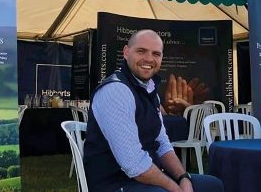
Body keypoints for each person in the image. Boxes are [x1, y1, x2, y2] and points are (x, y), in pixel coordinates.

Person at [84, 29, 223, 192]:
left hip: (144, 178)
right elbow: (134, 165)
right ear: (126, 52)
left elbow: (162, 143)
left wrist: (183, 178)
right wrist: (175, 189)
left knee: (213, 185)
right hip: (114, 183)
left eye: (156, 54)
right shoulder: (116, 91)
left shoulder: (149, 90)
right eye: (141, 51)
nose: (149, 59)